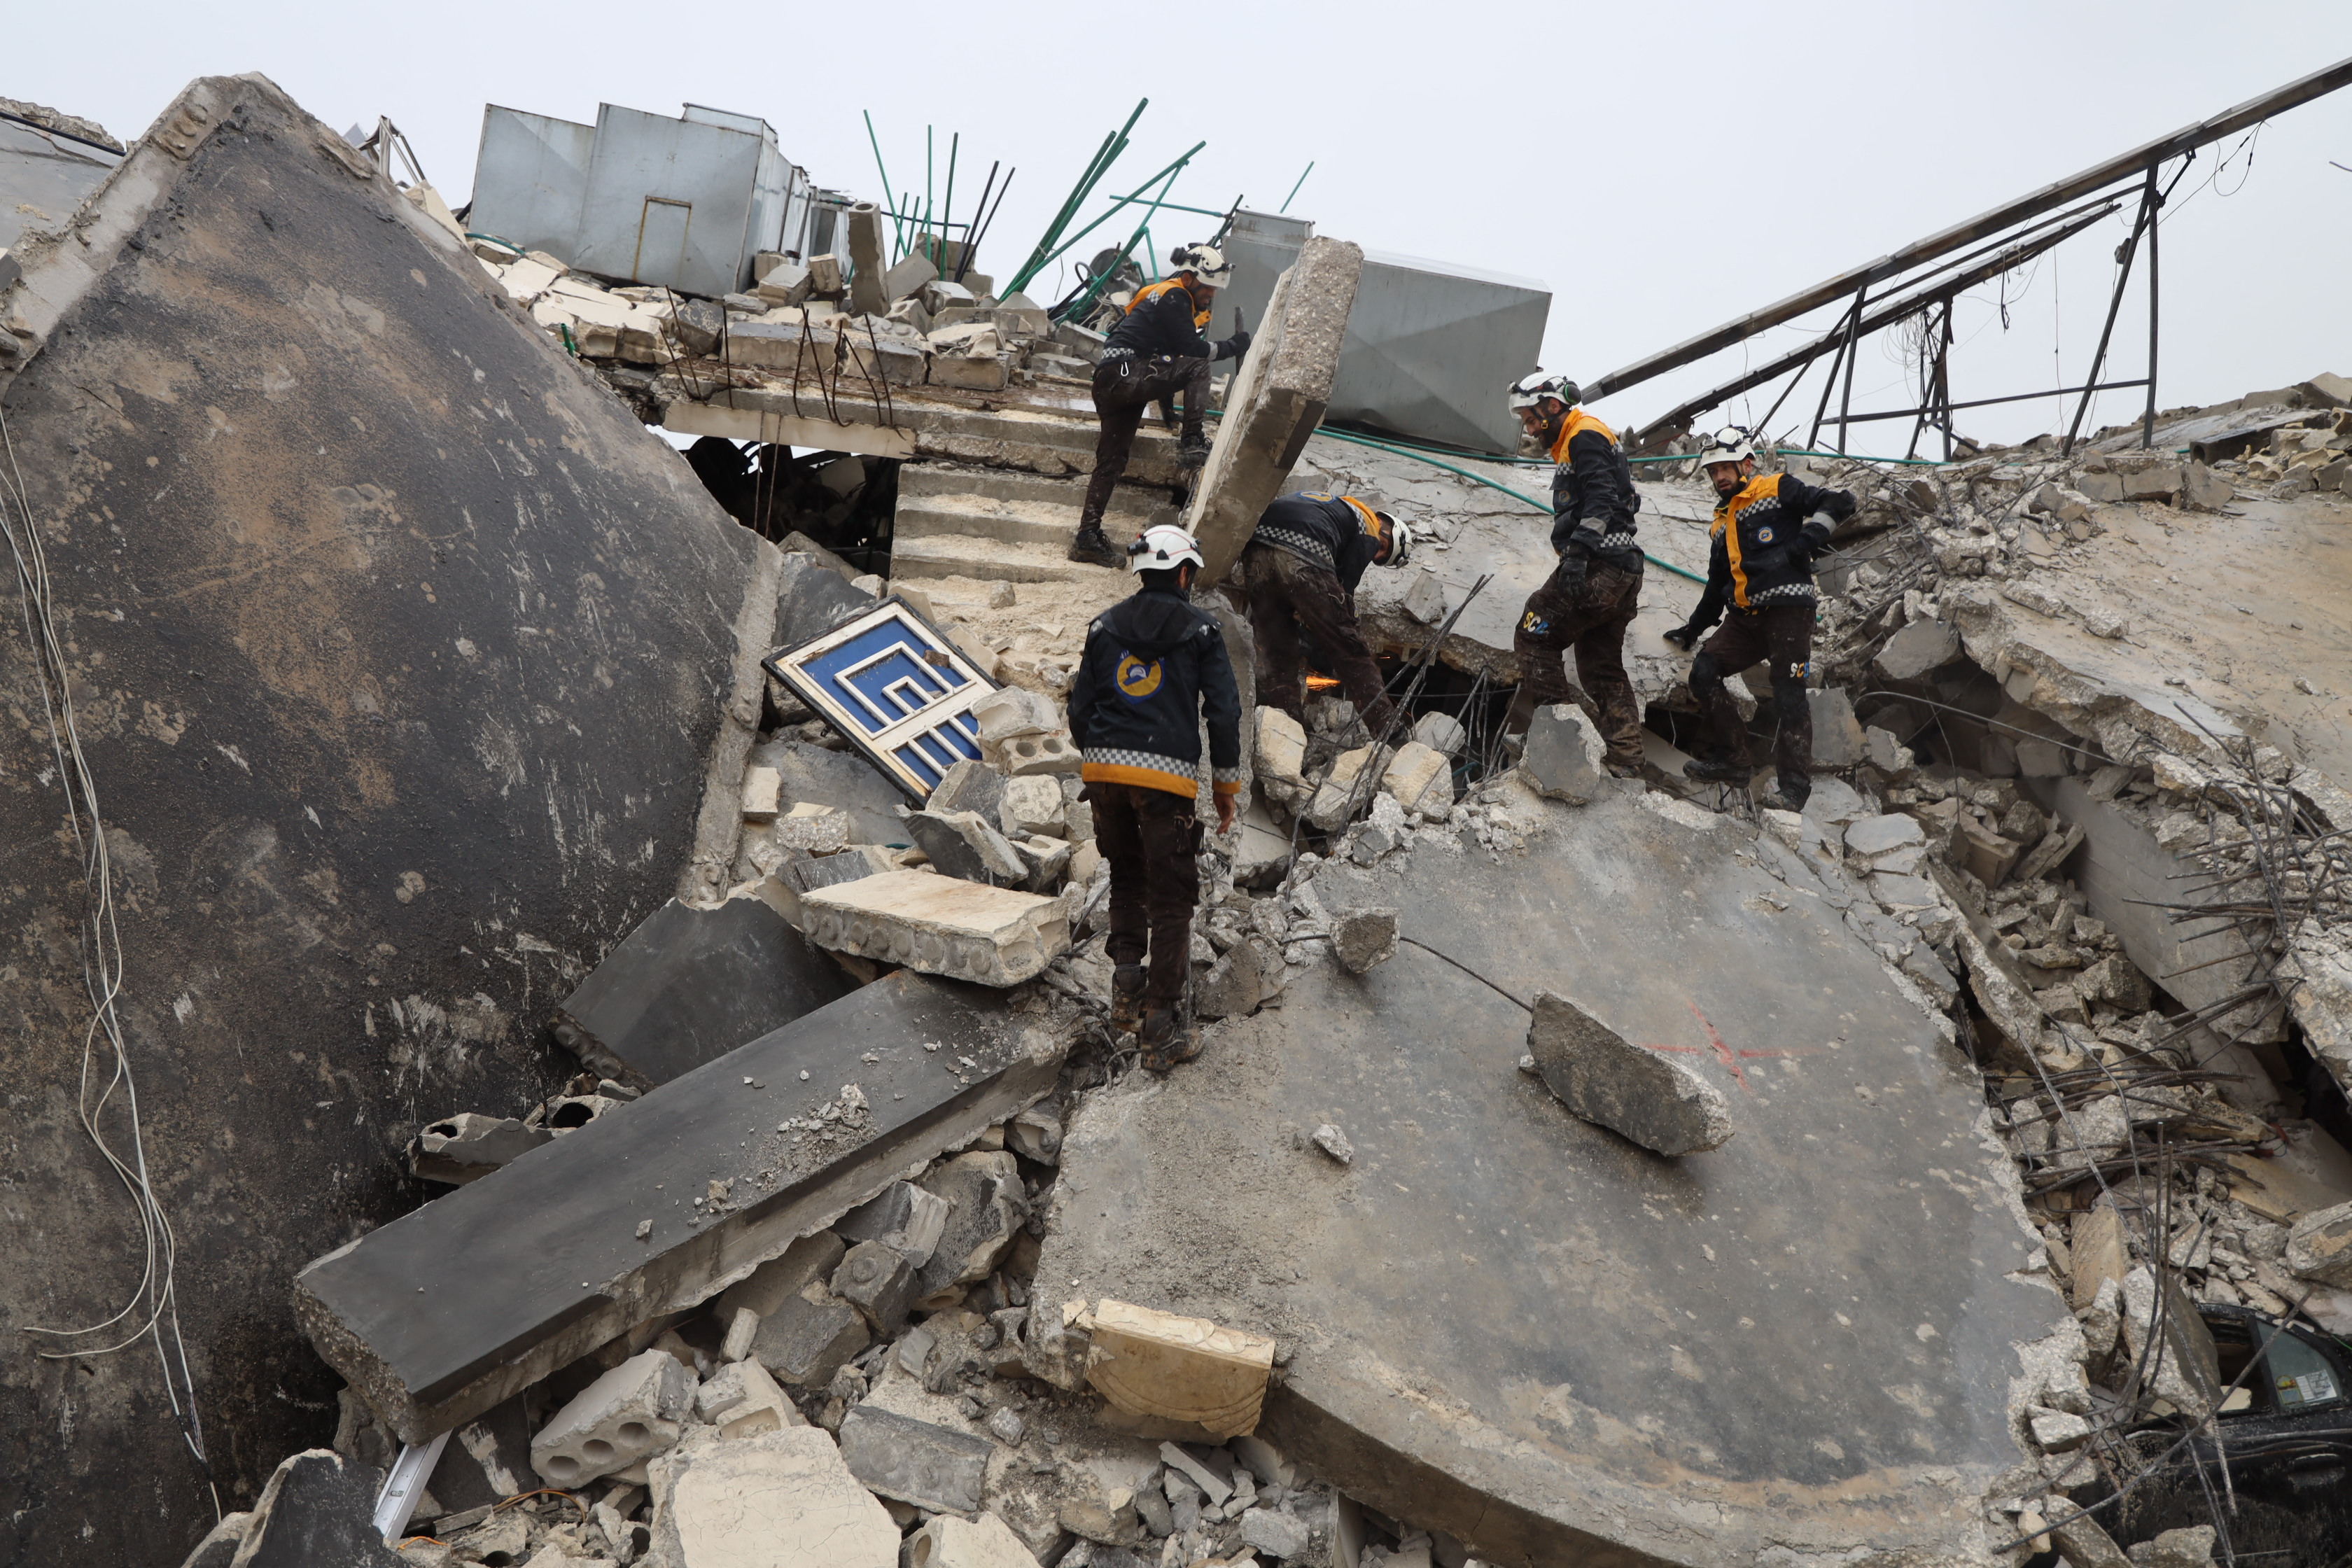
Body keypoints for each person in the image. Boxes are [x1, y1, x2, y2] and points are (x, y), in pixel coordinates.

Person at [1065, 524, 1246, 1070]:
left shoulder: (1103, 627)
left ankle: (1125, 990)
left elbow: (1079, 710)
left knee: (1125, 875)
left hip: (1102, 775)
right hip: (1165, 784)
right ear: (1185, 573)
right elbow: (1224, 713)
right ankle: (1161, 1031)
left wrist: (1103, 762)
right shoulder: (1203, 631)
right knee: (1172, 902)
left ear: (1144, 572)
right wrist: (1226, 787)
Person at [1662, 426, 1857, 812]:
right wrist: (1694, 628)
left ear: (1746, 463)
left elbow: (1840, 501)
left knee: (1789, 697)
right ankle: (1735, 760)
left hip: (1789, 612)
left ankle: (1794, 790)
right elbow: (1717, 584)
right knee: (1703, 672)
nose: (1719, 476)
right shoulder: (1721, 523)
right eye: (1712, 471)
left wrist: (1808, 538)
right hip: (1744, 619)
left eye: (1725, 467)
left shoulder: (1776, 488)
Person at [1068, 244, 1252, 569]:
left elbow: (1165, 356)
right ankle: (1193, 442)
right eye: (1208, 286)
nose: (1211, 294)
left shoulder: (1166, 298)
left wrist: (1168, 409)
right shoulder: (1175, 296)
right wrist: (1232, 346)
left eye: (1215, 288)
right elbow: (1190, 350)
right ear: (1190, 277)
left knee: (1111, 462)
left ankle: (1087, 538)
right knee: (1199, 365)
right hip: (1126, 373)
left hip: (1113, 381)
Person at [1506, 372, 1646, 775]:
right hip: (1624, 568)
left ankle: (1562, 742)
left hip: (1601, 563)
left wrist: (1578, 555)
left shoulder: (1583, 434)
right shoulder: (1580, 438)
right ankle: (1627, 759)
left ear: (1553, 405)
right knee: (1600, 667)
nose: (1531, 430)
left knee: (1534, 634)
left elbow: (1601, 498)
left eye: (1533, 419)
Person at [1234, 491, 1413, 739]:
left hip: (1256, 548)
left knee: (1278, 650)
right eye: (1382, 549)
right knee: (1350, 649)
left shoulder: (1332, 507)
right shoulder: (1369, 526)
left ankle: (1286, 727)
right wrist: (1333, 640)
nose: (1374, 555)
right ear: (1387, 528)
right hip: (1304, 550)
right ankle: (1389, 731)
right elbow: (1343, 593)